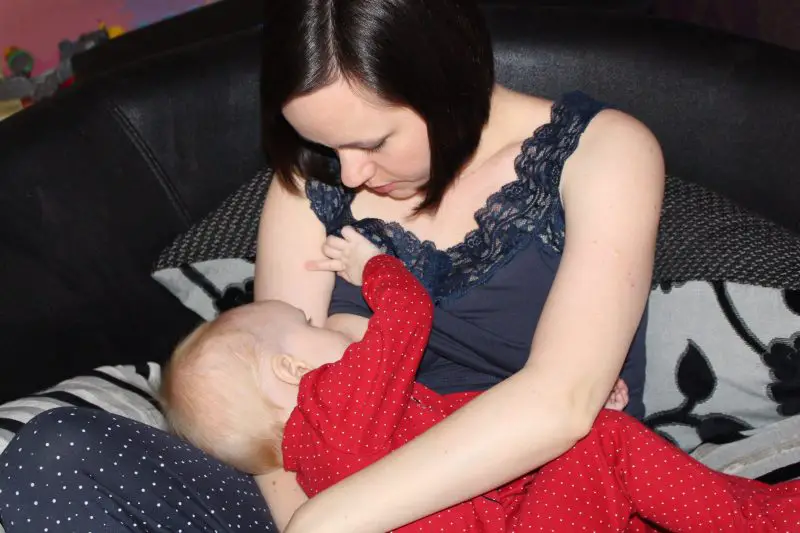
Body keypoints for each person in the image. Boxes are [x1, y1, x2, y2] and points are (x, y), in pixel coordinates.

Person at [0, 0, 663, 531]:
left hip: (528, 500)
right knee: (57, 452)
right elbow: (273, 429)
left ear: (452, 80)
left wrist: (335, 520)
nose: (349, 174)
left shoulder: (604, 153)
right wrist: (303, 518)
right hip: (325, 498)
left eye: (372, 141)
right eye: (322, 143)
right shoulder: (311, 180)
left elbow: (563, 400)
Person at [162, 229, 800, 532]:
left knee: (604, 484)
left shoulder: (318, 464)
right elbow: (408, 314)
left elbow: (470, 431)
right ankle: (768, 520)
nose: (321, 318)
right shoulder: (337, 401)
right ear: (290, 368)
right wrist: (375, 265)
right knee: (602, 444)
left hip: (516, 515)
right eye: (302, 320)